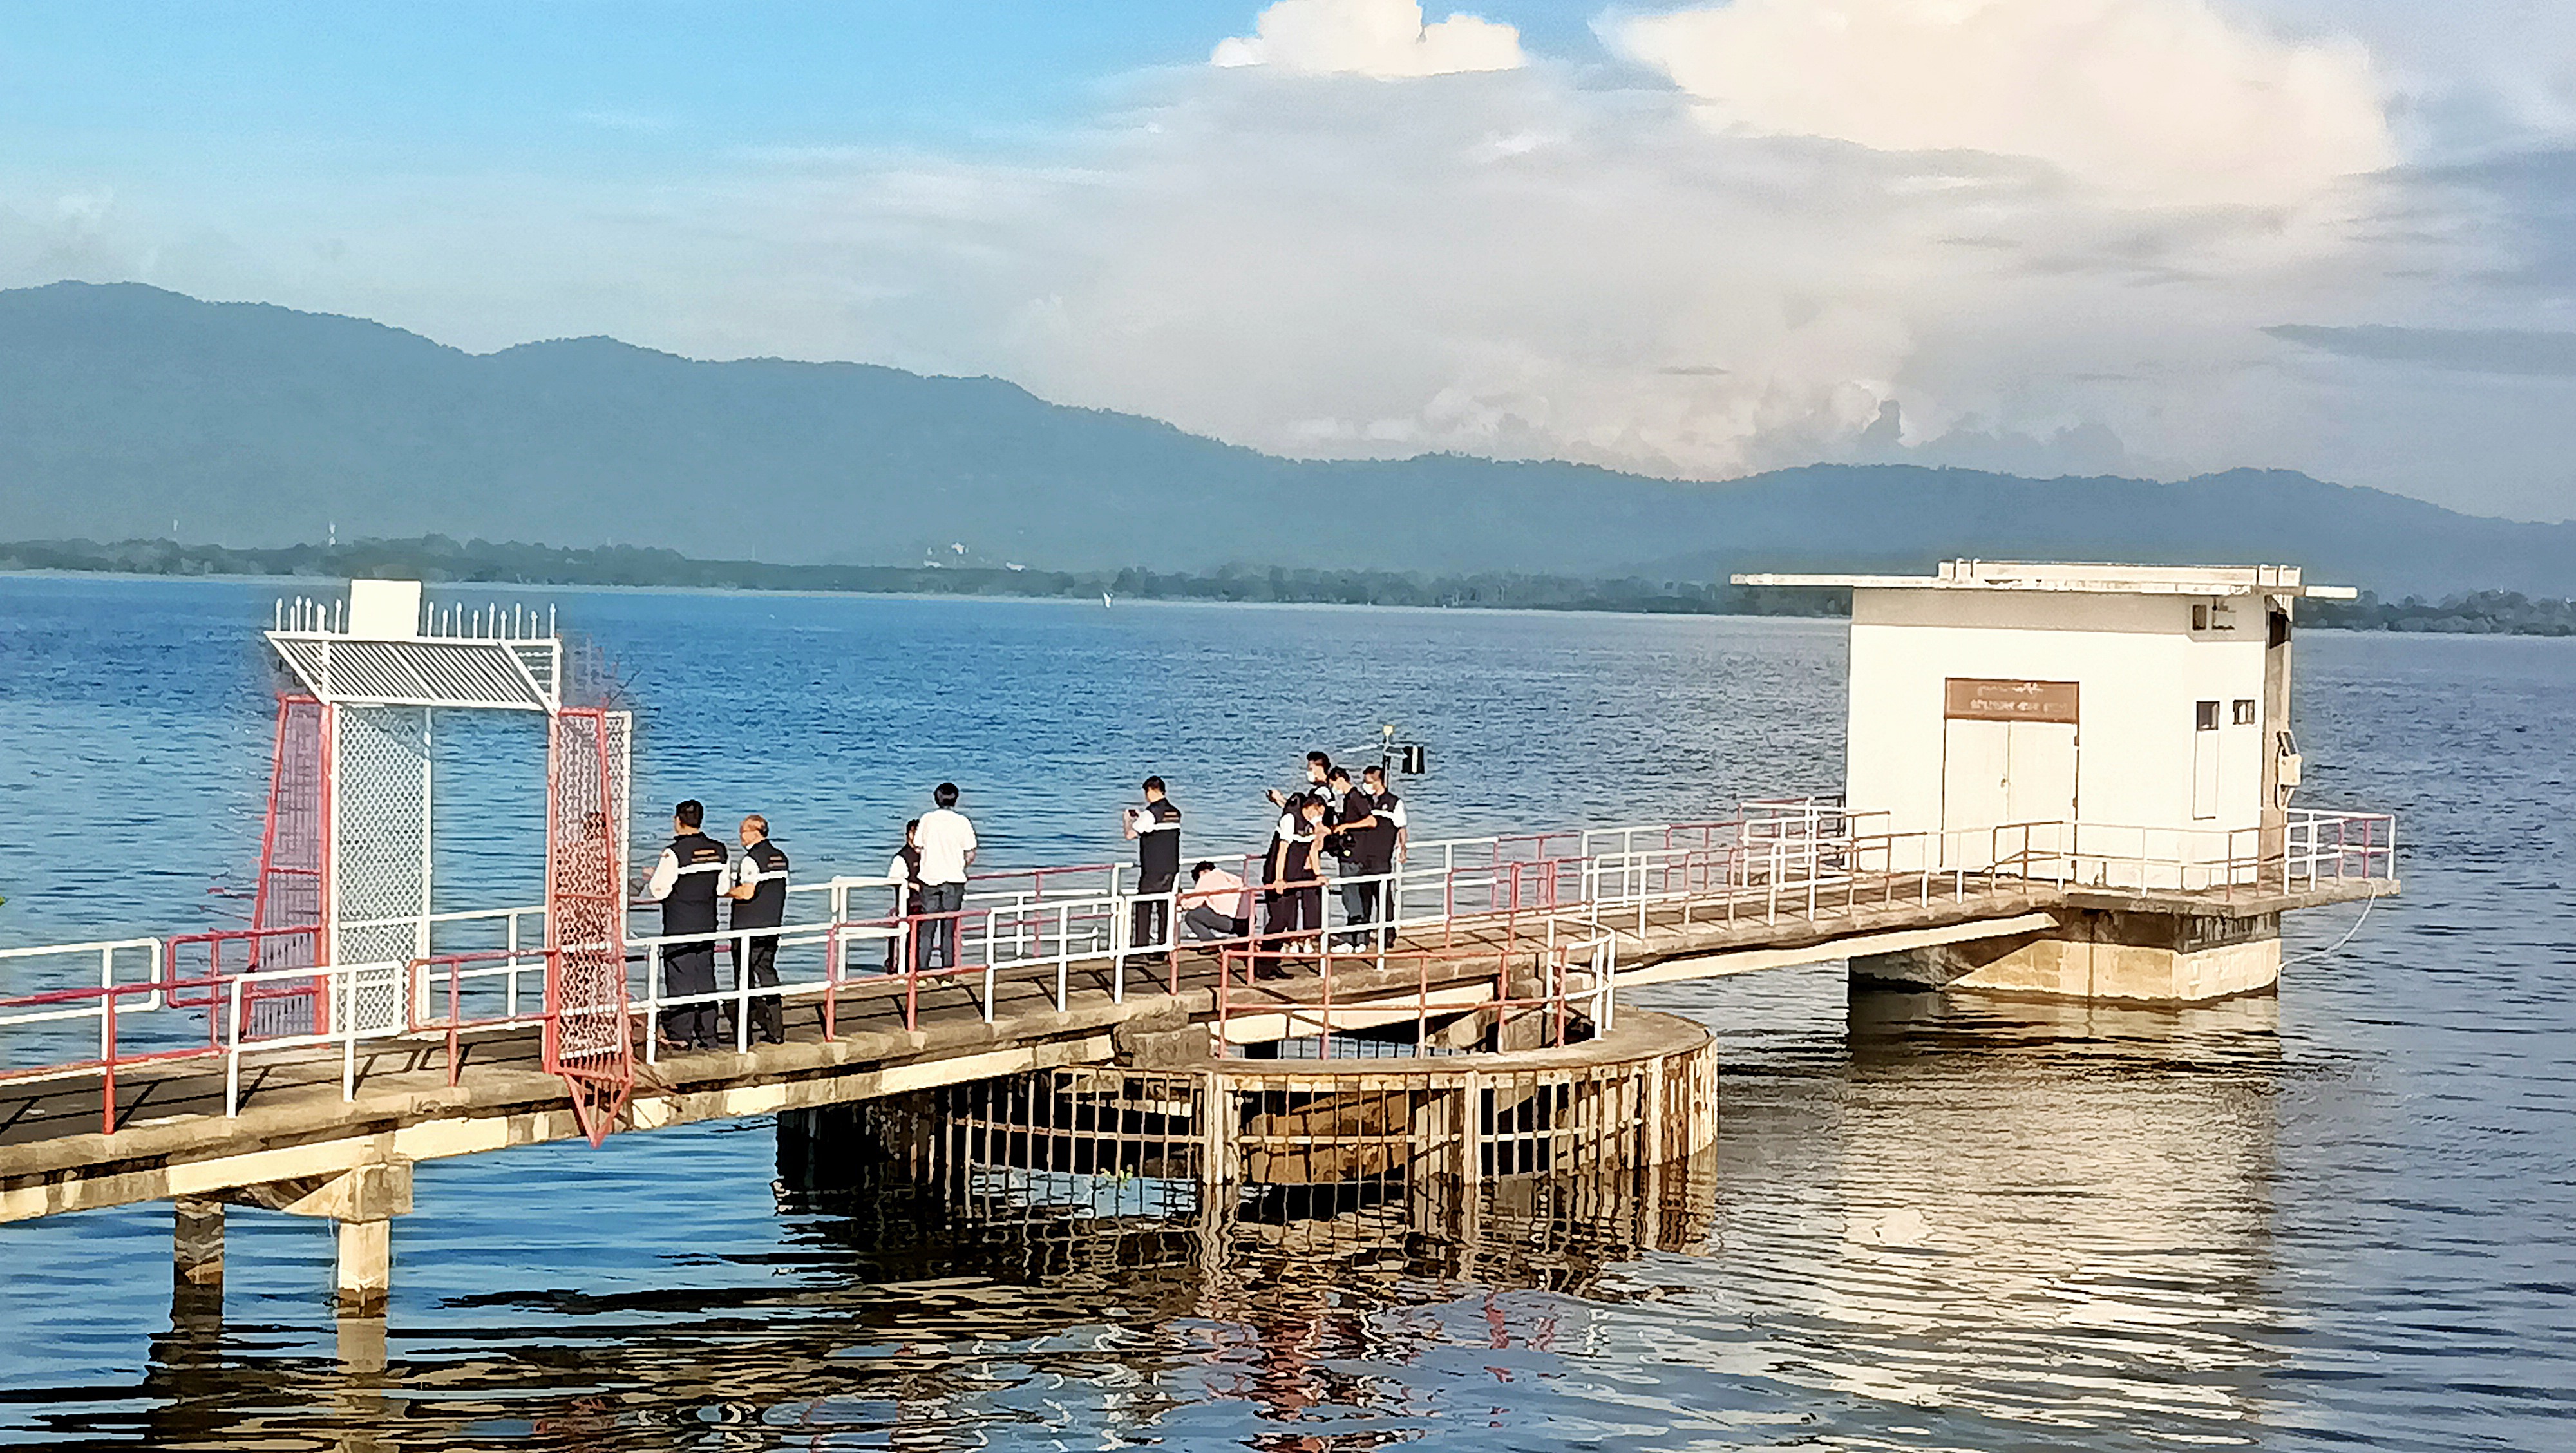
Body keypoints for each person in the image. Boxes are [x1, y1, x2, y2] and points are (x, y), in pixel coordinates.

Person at [641, 799, 728, 1050]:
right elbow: (722, 888)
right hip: (708, 923)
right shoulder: (719, 850)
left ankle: (681, 1034)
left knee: (680, 979)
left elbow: (659, 890)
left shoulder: (673, 853)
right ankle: (709, 1034)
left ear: (678, 821)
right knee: (705, 977)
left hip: (679, 925)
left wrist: (652, 875)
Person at [723, 813, 789, 1045]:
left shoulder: (751, 860)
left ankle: (744, 1035)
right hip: (771, 925)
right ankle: (777, 1030)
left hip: (747, 928)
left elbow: (747, 892)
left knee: (744, 980)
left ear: (754, 832)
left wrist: (723, 891)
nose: (740, 836)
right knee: (767, 973)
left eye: (743, 831)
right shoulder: (780, 857)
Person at [914, 783, 977, 970]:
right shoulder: (962, 822)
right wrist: (960, 865)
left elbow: (918, 847)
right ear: (955, 800)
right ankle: (948, 972)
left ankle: (922, 971)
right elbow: (970, 853)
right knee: (949, 929)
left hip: (929, 878)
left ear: (937, 799)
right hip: (954, 880)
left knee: (927, 928)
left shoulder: (927, 819)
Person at [1264, 792, 1330, 962]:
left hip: (1295, 877)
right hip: (1277, 876)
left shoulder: (1311, 826)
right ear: (1312, 808)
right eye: (1319, 813)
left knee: (1286, 919)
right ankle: (1264, 960)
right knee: (1278, 920)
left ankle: (1274, 962)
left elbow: (1313, 851)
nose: (1319, 818)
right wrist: (1279, 879)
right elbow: (1282, 852)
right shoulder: (1290, 819)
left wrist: (1318, 874)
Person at [1122, 775, 1182, 958]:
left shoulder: (1150, 814)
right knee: (1165, 908)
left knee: (1143, 907)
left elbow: (1131, 835)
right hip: (1171, 869)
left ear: (1149, 791)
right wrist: (1142, 817)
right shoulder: (1175, 812)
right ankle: (1163, 949)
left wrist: (1127, 820)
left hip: (1152, 870)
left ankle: (1141, 948)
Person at [1323, 766, 1382, 949]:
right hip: (1351, 855)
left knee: (1351, 898)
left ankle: (1355, 939)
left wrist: (1347, 826)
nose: (1333, 788)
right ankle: (1358, 938)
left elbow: (1372, 821)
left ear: (1340, 779)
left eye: (1333, 784)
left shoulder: (1355, 797)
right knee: (1354, 898)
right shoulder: (1346, 800)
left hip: (1354, 856)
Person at [1356, 764, 1408, 947]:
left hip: (1382, 857)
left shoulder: (1394, 803)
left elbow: (1402, 828)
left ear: (1379, 781)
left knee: (1384, 898)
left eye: (1368, 781)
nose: (1365, 785)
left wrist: (1403, 848)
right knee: (1364, 898)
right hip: (1364, 857)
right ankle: (1362, 935)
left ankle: (1388, 934)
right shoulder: (1363, 801)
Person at [884, 818, 925, 973]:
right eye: (916, 834)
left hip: (926, 902)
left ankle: (918, 966)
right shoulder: (902, 857)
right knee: (908, 936)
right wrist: (911, 885)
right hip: (908, 903)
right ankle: (904, 967)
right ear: (909, 835)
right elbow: (893, 879)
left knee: (922, 937)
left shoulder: (928, 855)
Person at [1180, 860, 1252, 941]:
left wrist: (1180, 900)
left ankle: (1209, 942)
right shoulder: (1230, 878)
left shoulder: (1206, 878)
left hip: (1232, 923)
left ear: (1202, 873)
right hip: (1248, 922)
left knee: (1191, 916)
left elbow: (1192, 903)